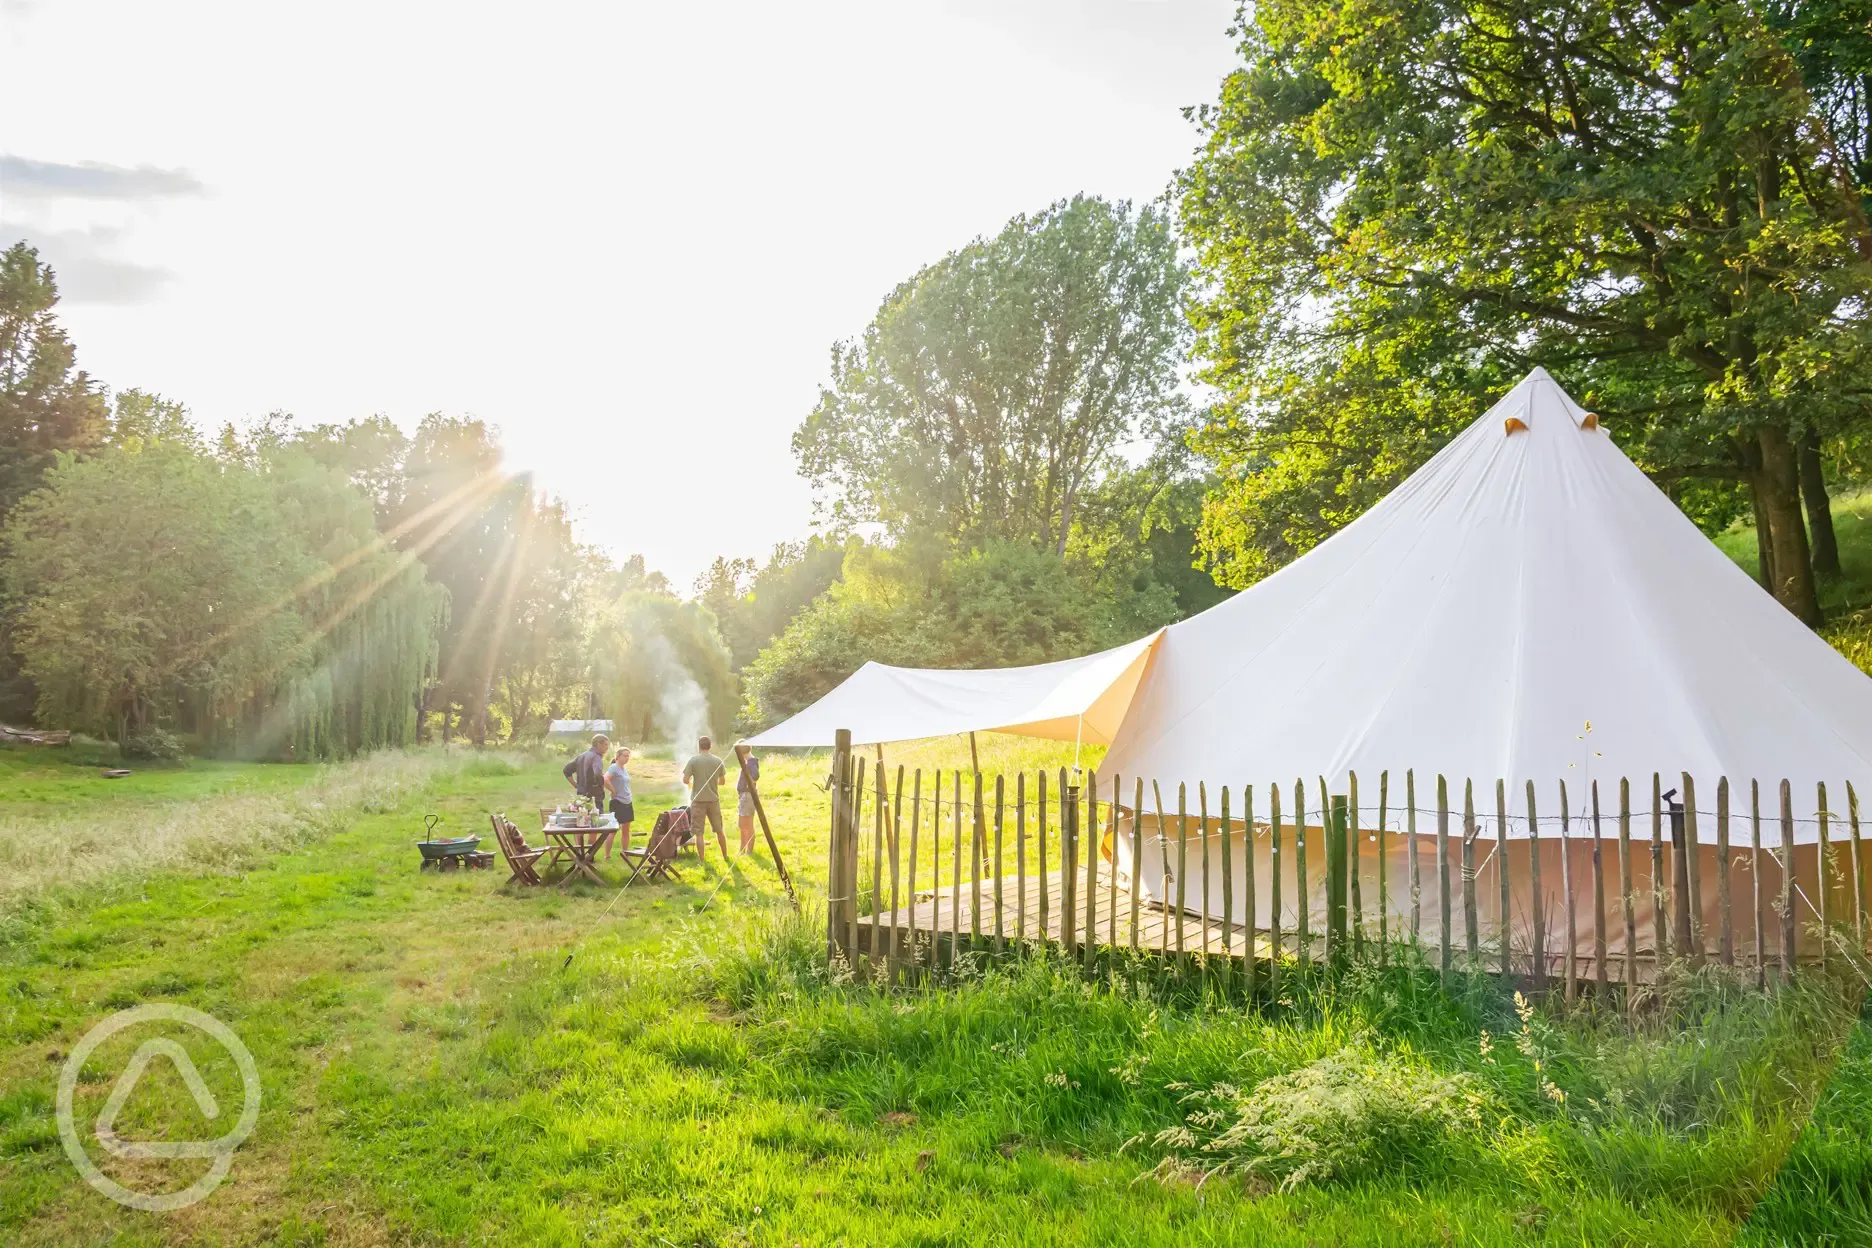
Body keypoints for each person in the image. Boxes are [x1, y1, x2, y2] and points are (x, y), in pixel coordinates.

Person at [681, 734, 731, 863]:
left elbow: (685, 780)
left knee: (699, 833)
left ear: (699, 747)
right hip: (714, 800)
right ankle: (725, 856)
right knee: (719, 830)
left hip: (698, 801)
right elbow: (722, 782)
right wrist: (711, 783)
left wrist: (695, 781)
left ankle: (702, 860)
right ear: (710, 746)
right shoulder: (718, 760)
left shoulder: (693, 760)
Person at [563, 732, 609, 811]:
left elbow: (566, 770)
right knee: (595, 820)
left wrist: (576, 785)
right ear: (599, 744)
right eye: (605, 744)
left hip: (582, 797)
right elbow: (598, 774)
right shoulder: (596, 757)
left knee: (583, 819)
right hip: (594, 796)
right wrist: (601, 786)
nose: (607, 747)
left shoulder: (582, 756)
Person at [604, 746, 634, 857]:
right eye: (625, 756)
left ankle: (625, 853)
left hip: (627, 801)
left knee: (626, 829)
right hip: (617, 802)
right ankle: (607, 855)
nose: (627, 758)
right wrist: (613, 790)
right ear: (618, 756)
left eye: (628, 756)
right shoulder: (614, 767)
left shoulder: (623, 768)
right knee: (613, 829)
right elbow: (605, 779)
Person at [733, 741, 760, 854]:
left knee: (747, 824)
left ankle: (749, 850)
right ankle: (742, 848)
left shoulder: (751, 762)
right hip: (744, 796)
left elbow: (755, 776)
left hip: (747, 796)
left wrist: (749, 785)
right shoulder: (748, 761)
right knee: (742, 824)